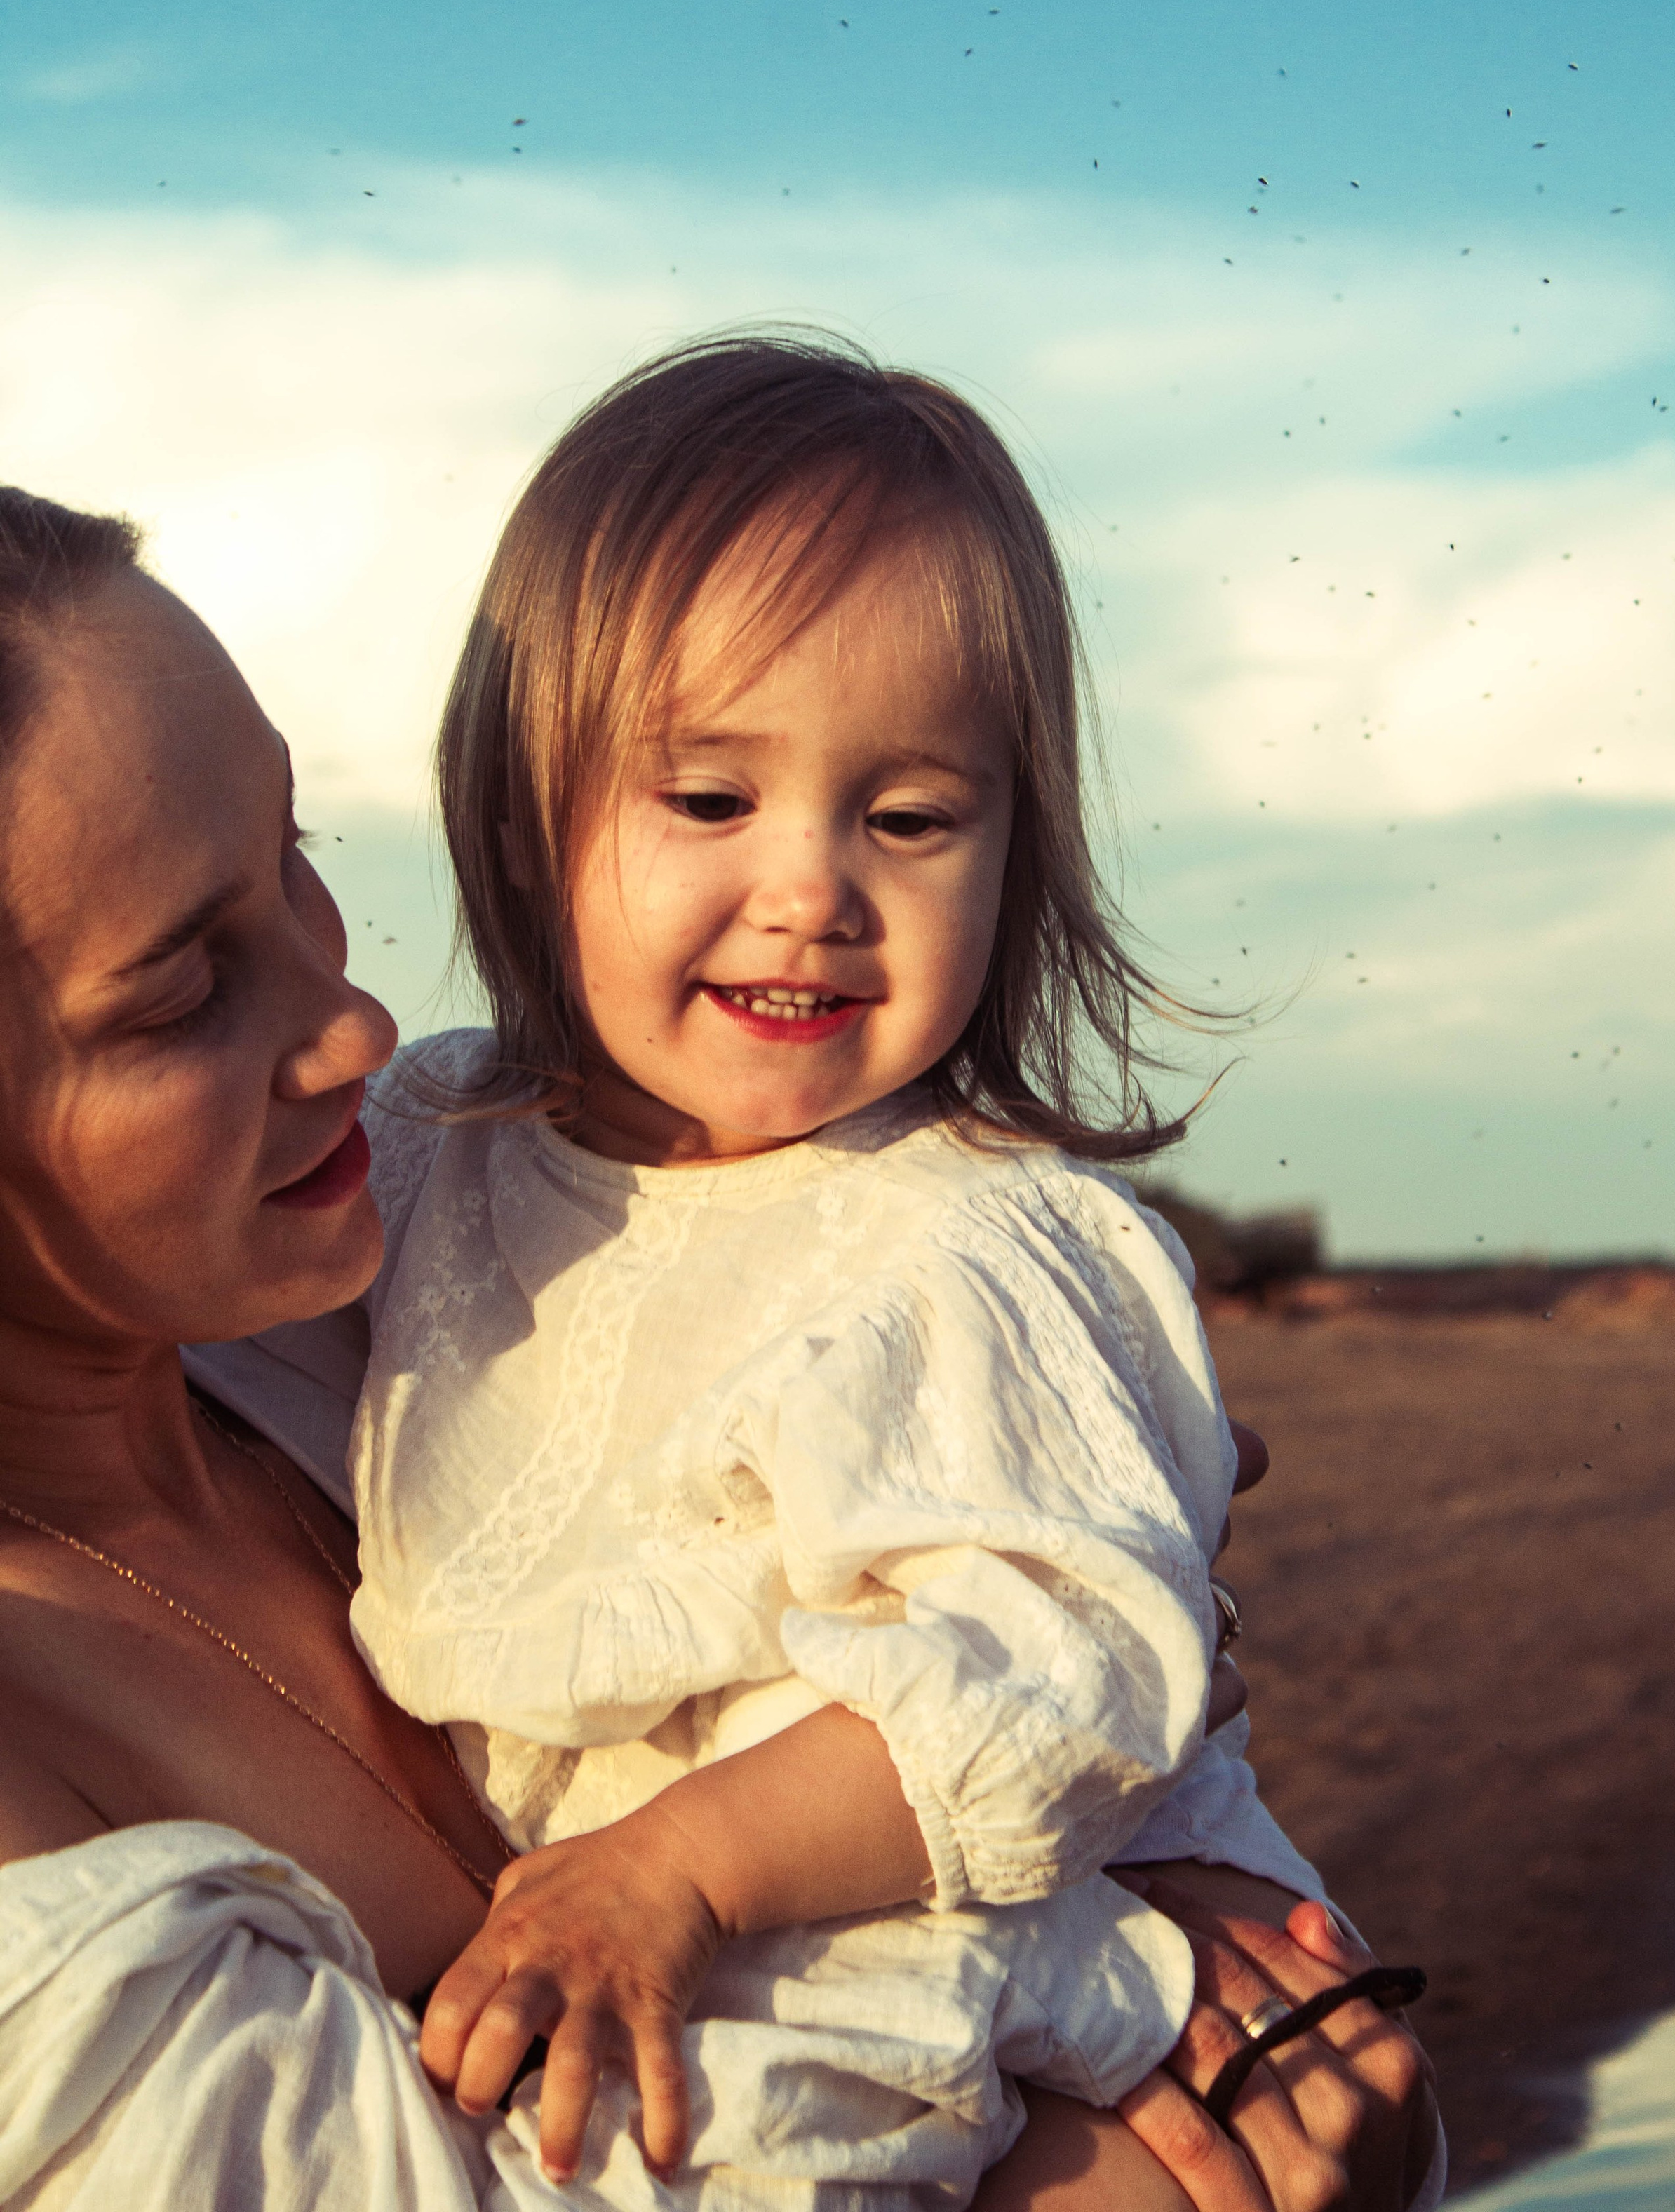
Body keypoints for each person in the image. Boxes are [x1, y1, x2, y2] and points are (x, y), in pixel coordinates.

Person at [0, 482, 1437, 2209]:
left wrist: (1121, 1764)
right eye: (173, 992)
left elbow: (1052, 1659)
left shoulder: (339, 1307)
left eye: (295, 857)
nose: (358, 1022)